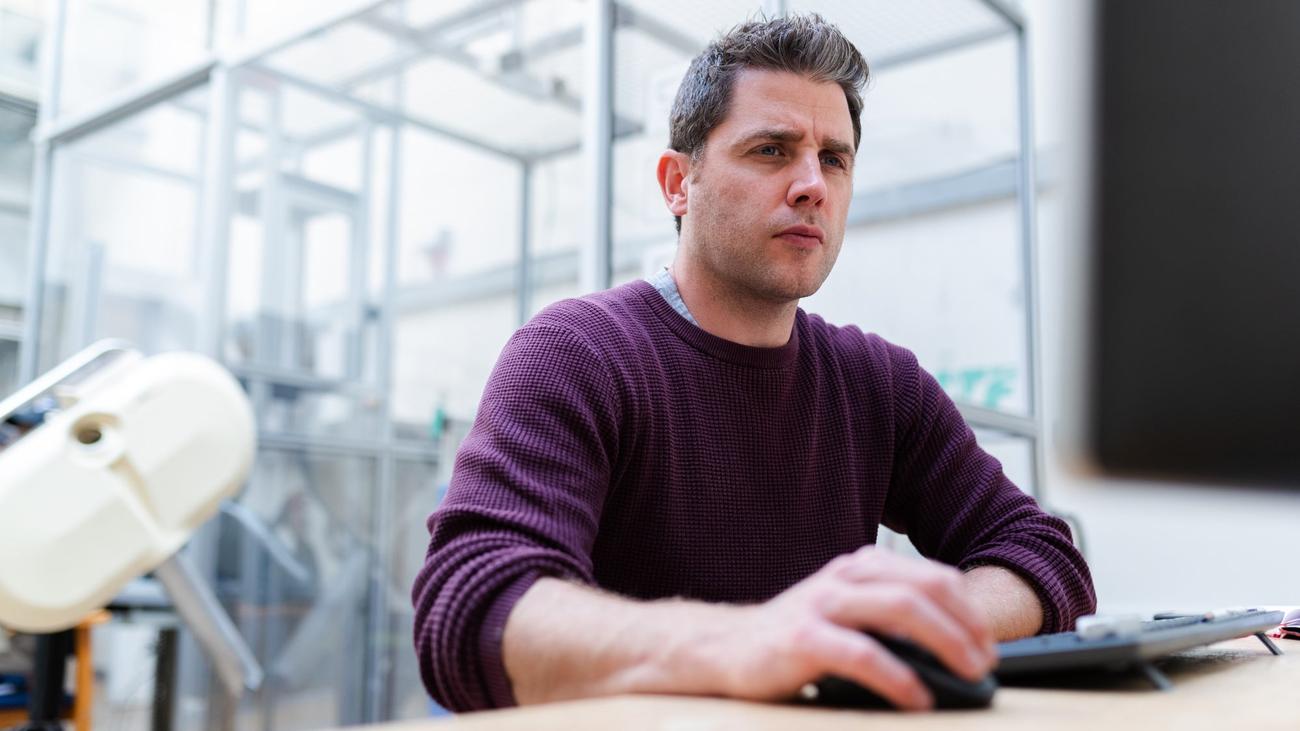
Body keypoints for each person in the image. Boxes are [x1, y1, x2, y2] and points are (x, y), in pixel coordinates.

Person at [412, 13, 1095, 714]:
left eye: (834, 158)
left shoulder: (878, 383)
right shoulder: (578, 353)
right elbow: (470, 610)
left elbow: (1043, 554)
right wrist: (749, 640)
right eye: (772, 150)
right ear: (678, 183)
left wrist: (902, 626)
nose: (812, 185)